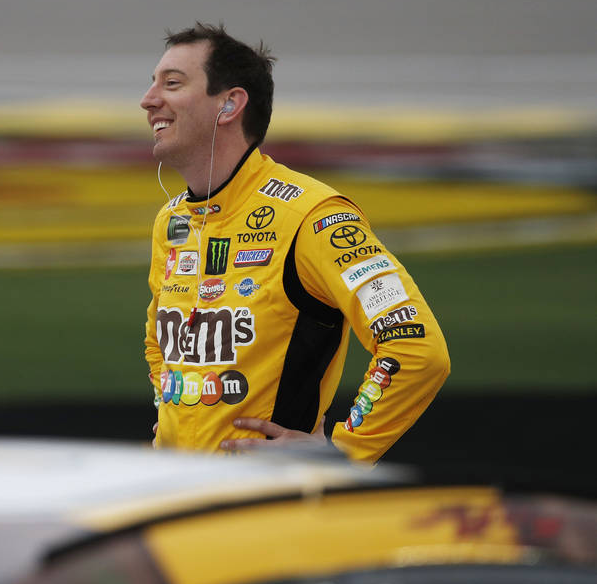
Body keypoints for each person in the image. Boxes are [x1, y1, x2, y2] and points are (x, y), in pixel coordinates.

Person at [141, 23, 450, 463]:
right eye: (153, 83)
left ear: (229, 104)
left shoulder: (314, 215)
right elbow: (158, 341)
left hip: (267, 506)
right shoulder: (171, 221)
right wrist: (174, 413)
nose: (148, 99)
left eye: (171, 84)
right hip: (179, 495)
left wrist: (344, 451)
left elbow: (417, 348)